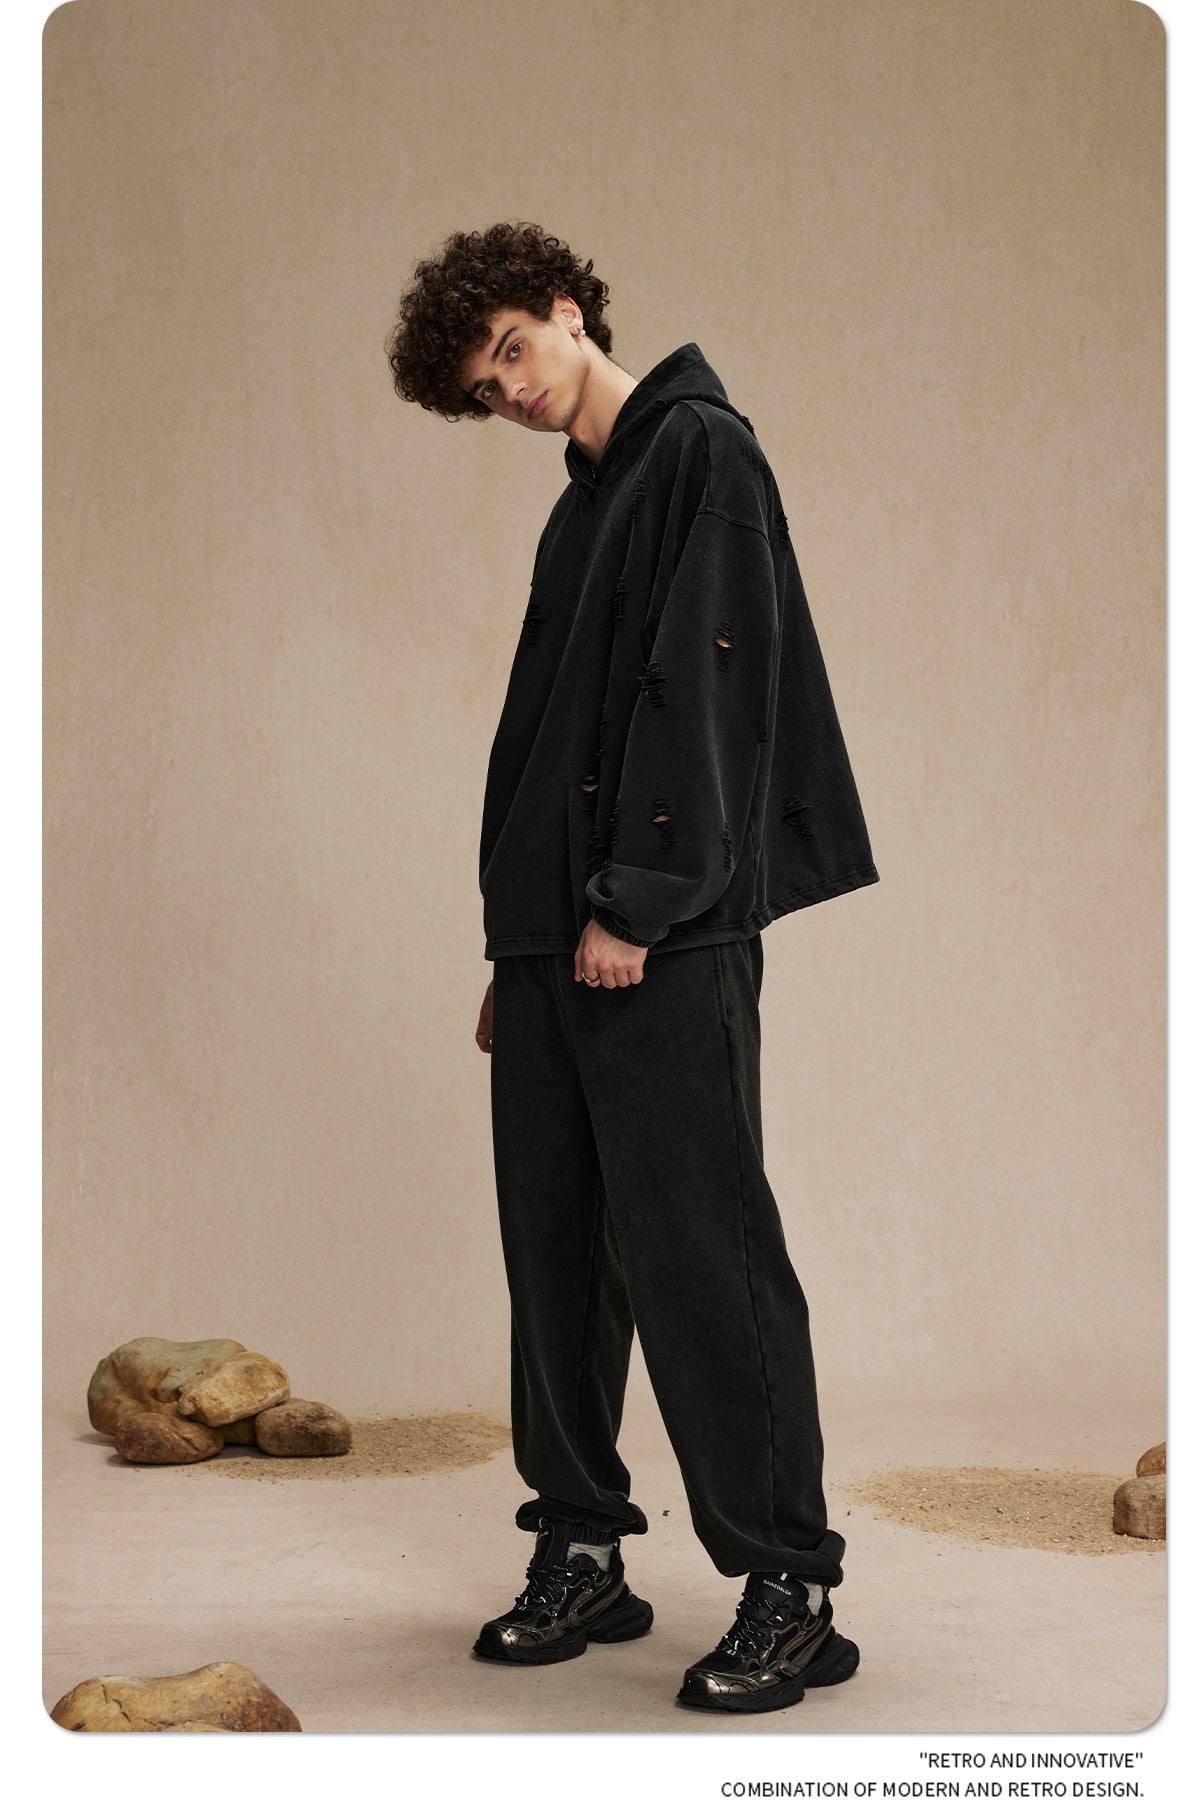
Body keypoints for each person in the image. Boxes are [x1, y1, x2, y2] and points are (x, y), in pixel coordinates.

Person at [386, 220, 879, 1714]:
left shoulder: (701, 454)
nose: (511, 390)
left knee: (700, 1253)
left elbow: (706, 694)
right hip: (559, 935)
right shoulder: (585, 503)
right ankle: (583, 1546)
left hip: (660, 927)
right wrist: (521, 941)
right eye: (484, 389)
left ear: (566, 308)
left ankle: (786, 1584)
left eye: (512, 351)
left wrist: (639, 906)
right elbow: (550, 743)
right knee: (554, 1250)